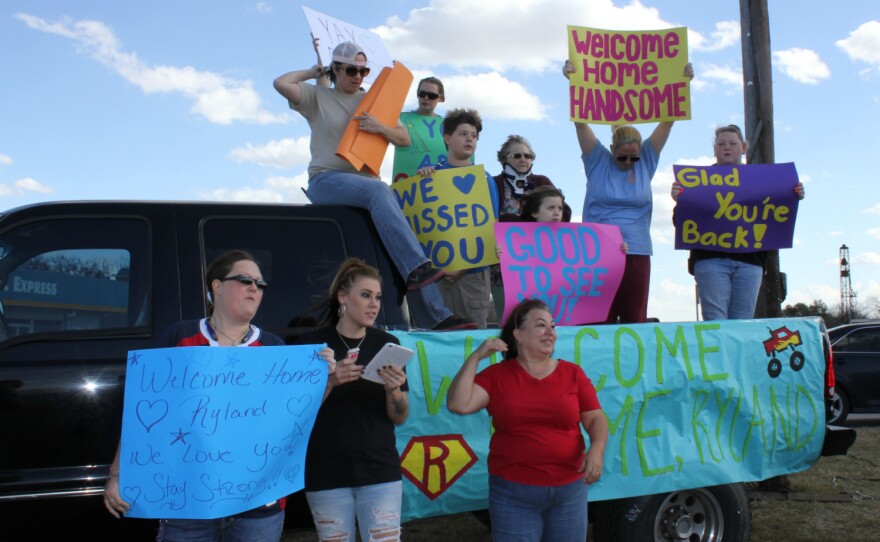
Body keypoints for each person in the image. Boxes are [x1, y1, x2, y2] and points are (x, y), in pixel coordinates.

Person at [102, 250, 334, 542]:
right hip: (187, 503)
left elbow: (293, 422)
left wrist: (324, 381)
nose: (254, 288)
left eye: (260, 284)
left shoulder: (275, 350)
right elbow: (143, 415)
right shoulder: (181, 338)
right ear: (217, 286)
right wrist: (117, 475)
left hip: (257, 504)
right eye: (245, 279)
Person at [273, 41, 473, 331]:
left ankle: (438, 317)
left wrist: (379, 127)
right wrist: (311, 71)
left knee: (398, 244)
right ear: (336, 69)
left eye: (364, 70)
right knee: (386, 202)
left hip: (366, 184)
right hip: (327, 178)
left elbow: (403, 139)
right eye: (351, 70)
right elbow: (280, 82)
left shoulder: (374, 102)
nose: (358, 76)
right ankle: (418, 267)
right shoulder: (317, 96)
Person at [447, 299, 608, 541]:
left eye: (553, 326)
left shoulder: (573, 373)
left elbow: (595, 418)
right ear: (518, 335)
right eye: (541, 325)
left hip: (569, 492)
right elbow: (458, 403)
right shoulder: (497, 376)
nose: (550, 332)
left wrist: (597, 448)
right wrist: (477, 357)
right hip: (513, 494)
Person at [562, 59, 694, 324]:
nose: (629, 163)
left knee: (635, 317)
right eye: (623, 158)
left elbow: (667, 123)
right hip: (598, 251)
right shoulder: (597, 160)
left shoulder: (646, 159)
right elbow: (580, 124)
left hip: (637, 250)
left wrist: (683, 83)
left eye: (634, 158)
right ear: (612, 150)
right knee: (601, 318)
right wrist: (572, 82)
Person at [293, 258, 409, 542]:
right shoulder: (312, 345)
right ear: (343, 297)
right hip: (326, 470)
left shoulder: (386, 343)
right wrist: (331, 382)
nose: (374, 304)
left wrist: (393, 390)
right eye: (366, 295)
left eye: (378, 297)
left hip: (380, 469)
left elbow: (400, 416)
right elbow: (294, 414)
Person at [671, 124, 806, 320]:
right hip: (710, 260)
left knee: (743, 323)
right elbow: (681, 224)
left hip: (750, 261)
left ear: (743, 147)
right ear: (714, 149)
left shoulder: (762, 182)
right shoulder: (697, 183)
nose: (727, 148)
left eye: (733, 143)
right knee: (715, 322)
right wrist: (681, 201)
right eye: (721, 144)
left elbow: (775, 216)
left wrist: (791, 195)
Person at [416, 108, 499, 329]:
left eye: (474, 135)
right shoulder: (431, 175)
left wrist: (463, 266)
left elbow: (491, 229)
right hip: (437, 277)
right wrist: (421, 180)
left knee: (474, 337)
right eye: (463, 134)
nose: (469, 139)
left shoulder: (485, 179)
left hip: (473, 277)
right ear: (447, 138)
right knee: (440, 336)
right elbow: (422, 226)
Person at [494, 135, 572, 222]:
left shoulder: (542, 182)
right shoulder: (492, 184)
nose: (523, 159)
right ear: (504, 159)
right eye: (517, 156)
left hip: (539, 234)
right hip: (495, 235)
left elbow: (565, 211)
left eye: (527, 156)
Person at [392, 76, 447, 182]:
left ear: (441, 98)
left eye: (432, 95)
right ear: (417, 94)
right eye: (422, 94)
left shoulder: (450, 126)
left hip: (439, 187)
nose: (426, 98)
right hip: (404, 188)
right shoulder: (399, 118)